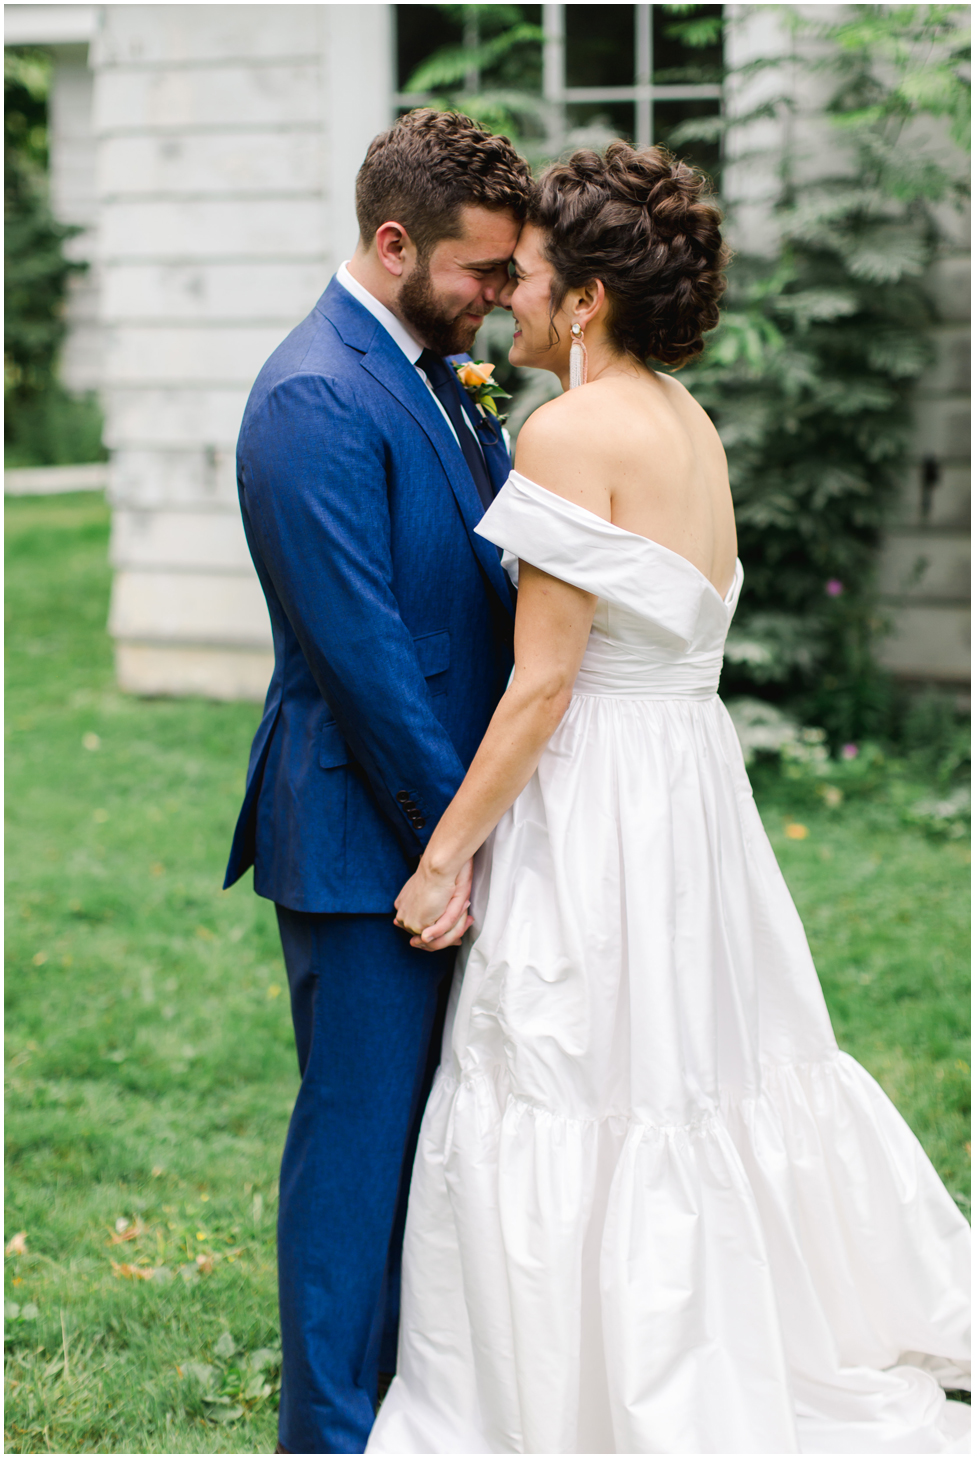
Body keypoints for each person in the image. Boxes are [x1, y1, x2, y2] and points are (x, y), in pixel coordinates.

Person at [366, 143, 971, 1455]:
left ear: (584, 298)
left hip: (601, 804)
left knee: (581, 1073)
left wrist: (446, 855)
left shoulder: (572, 428)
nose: (504, 298)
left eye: (524, 276)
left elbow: (540, 688)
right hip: (690, 796)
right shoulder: (686, 419)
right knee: (699, 1067)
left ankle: (605, 1380)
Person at [222, 109, 532, 1454]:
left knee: (432, 1144)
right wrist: (453, 842)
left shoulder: (431, 369)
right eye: (484, 271)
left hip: (444, 826)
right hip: (367, 840)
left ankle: (414, 1399)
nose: (506, 297)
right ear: (394, 243)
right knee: (355, 1151)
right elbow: (367, 658)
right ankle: (327, 1430)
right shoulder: (313, 395)